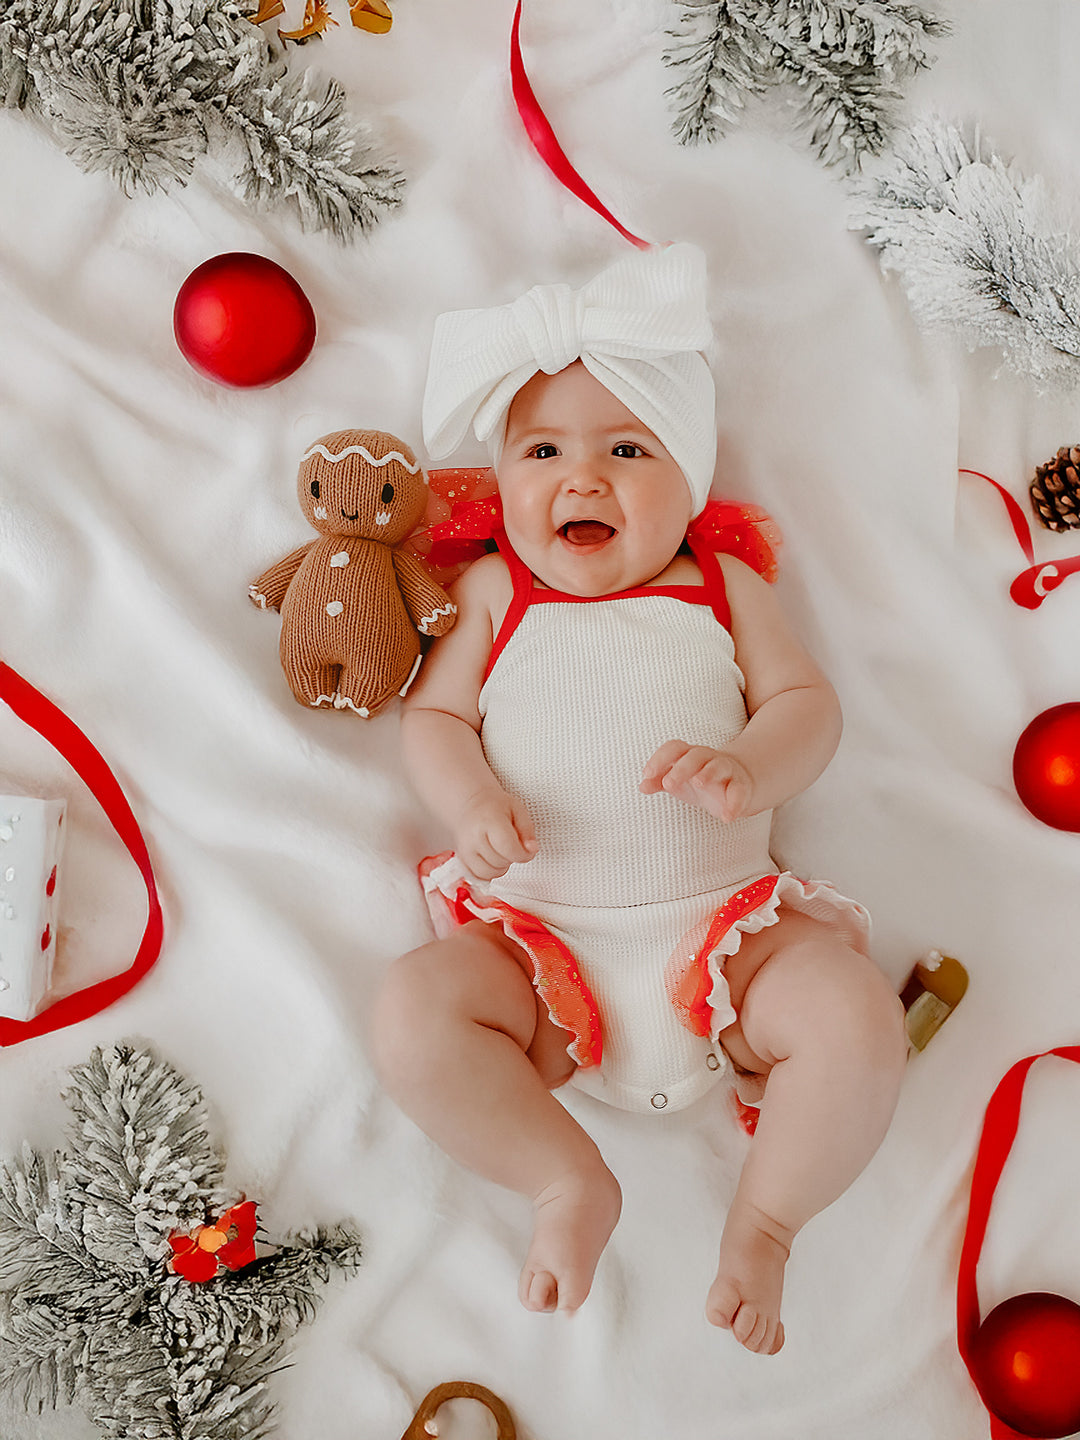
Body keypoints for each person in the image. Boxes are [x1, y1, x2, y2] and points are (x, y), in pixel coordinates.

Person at [372, 244, 907, 1355]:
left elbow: (807, 704)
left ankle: (765, 1221)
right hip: (538, 941)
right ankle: (564, 1180)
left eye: (628, 448)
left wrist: (750, 768)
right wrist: (470, 800)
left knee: (853, 1014)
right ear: (501, 478)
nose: (583, 477)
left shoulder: (723, 587)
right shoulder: (491, 591)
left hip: (725, 935)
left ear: (692, 479)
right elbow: (431, 721)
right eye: (543, 450)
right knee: (414, 1015)